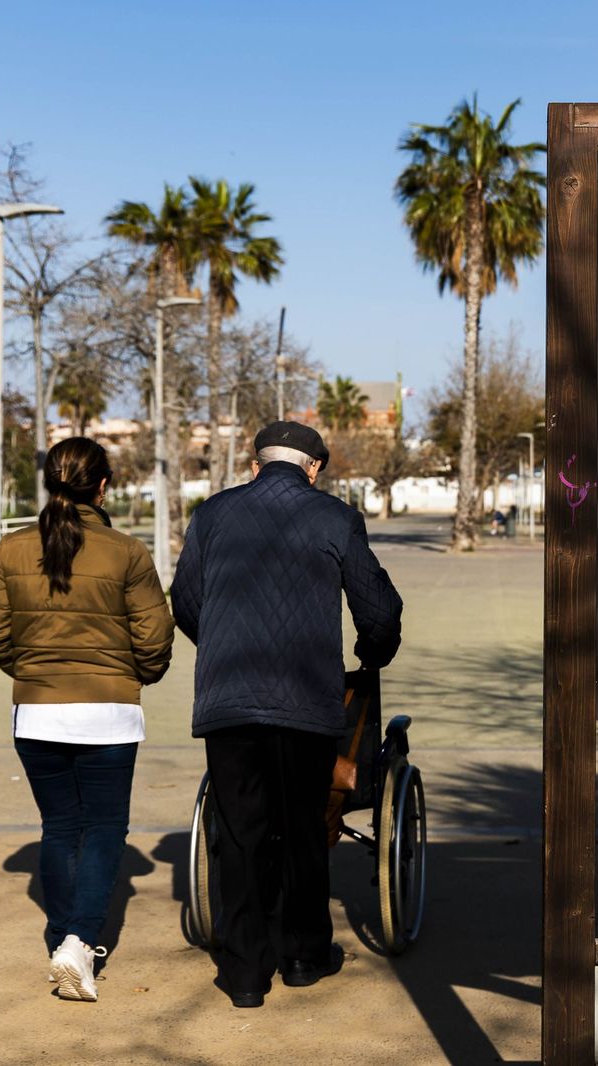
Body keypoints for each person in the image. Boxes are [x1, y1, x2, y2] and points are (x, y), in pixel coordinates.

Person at [171, 420, 403, 1009]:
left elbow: (187, 602)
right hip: (307, 700)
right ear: (314, 468)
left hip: (229, 700)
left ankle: (246, 973)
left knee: (240, 831)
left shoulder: (211, 515)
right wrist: (371, 653)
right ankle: (303, 955)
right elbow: (378, 609)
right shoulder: (336, 518)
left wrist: (222, 646)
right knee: (303, 825)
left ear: (255, 464)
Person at [0, 437, 174, 1002]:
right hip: (110, 712)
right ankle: (79, 941)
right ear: (102, 486)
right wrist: (131, 677)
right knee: (105, 828)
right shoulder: (127, 552)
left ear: (48, 482)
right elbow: (154, 639)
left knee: (60, 827)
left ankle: (63, 937)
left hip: (37, 713)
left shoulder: (12, 549)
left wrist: (34, 670)